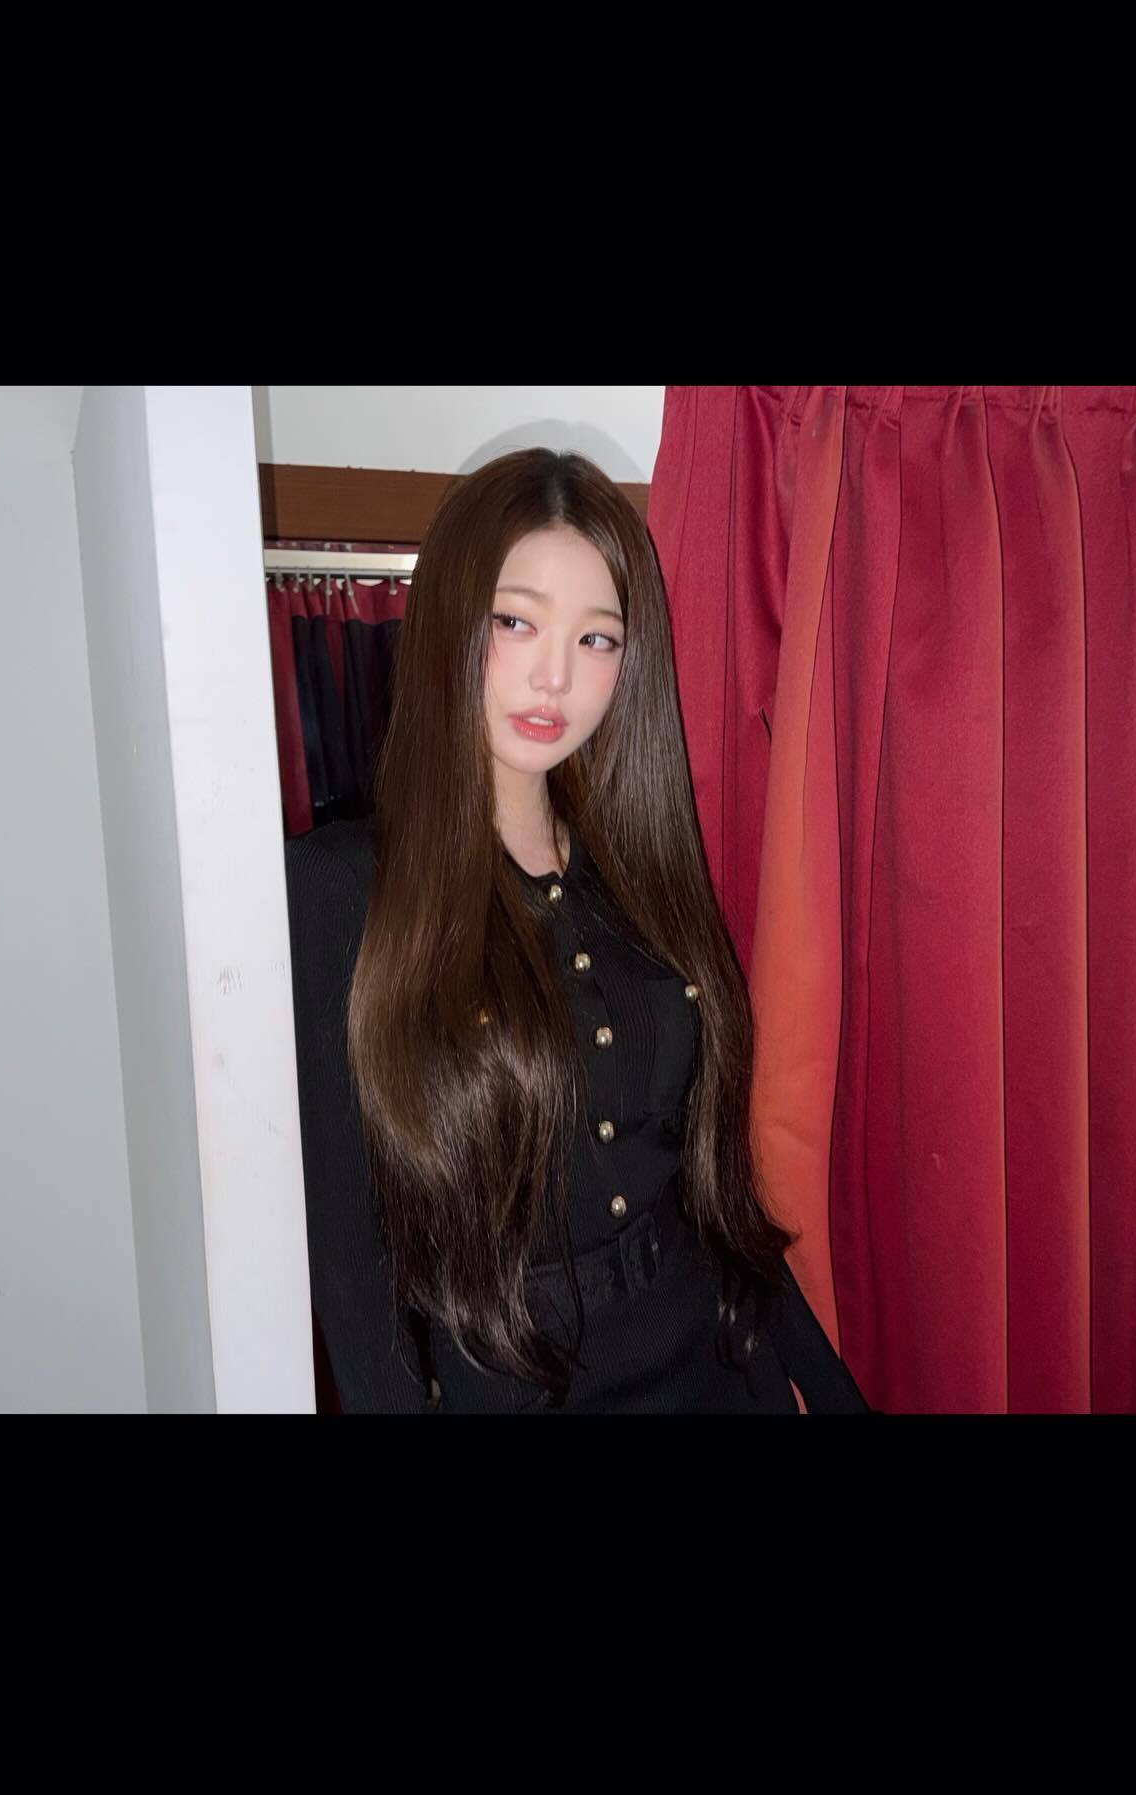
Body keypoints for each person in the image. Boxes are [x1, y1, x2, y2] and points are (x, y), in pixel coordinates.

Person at [284, 447, 871, 1414]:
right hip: (516, 1382)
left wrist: (831, 1389)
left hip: (713, 1367)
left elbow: (710, 1202)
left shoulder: (641, 869)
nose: (555, 675)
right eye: (516, 621)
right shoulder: (343, 890)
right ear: (450, 619)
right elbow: (351, 1273)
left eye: (597, 638)